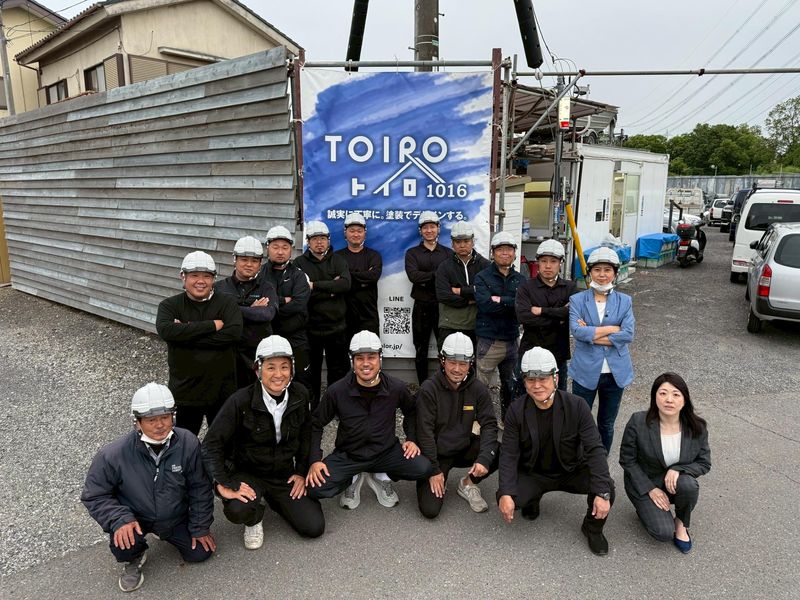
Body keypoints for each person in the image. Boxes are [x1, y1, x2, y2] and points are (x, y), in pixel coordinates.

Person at [82, 383, 215, 593]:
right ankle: (135, 556)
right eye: (151, 420)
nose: (160, 425)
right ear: (137, 422)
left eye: (165, 417)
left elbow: (200, 488)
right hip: (135, 519)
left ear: (173, 416)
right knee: (124, 543)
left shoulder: (188, 442)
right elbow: (95, 495)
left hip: (175, 517)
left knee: (200, 553)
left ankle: (167, 532)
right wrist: (119, 519)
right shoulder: (112, 455)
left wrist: (200, 527)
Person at [202, 336, 324, 550]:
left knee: (313, 527)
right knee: (238, 509)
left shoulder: (301, 395)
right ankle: (254, 518)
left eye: (284, 367)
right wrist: (222, 483)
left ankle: (276, 500)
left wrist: (301, 471)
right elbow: (212, 444)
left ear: (292, 369)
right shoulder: (239, 401)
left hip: (283, 473)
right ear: (258, 370)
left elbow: (307, 433)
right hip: (249, 473)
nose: (278, 374)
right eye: (271, 367)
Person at [497, 347, 615, 556]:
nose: (537, 385)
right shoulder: (516, 410)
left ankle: (592, 528)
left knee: (606, 489)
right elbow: (508, 454)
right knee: (511, 498)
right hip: (534, 473)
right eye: (531, 380)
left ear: (556, 377)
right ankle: (532, 499)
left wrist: (602, 493)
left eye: (543, 378)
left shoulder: (577, 406)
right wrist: (506, 492)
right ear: (524, 381)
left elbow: (595, 449)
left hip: (571, 470)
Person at [306, 331, 432, 509]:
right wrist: (314, 460)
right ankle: (352, 478)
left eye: (371, 357)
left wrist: (411, 439)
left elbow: (411, 411)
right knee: (314, 487)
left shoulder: (396, 387)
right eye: (359, 358)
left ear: (380, 358)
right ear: (352, 361)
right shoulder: (337, 391)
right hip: (350, 455)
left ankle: (381, 477)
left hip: (386, 452)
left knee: (423, 468)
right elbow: (316, 423)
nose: (366, 363)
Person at [619, 372, 711, 554]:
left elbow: (704, 463)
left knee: (688, 484)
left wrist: (678, 469)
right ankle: (645, 509)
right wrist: (650, 489)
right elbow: (627, 460)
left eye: (676, 394)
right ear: (654, 397)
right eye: (663, 393)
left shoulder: (697, 427)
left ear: (684, 400)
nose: (669, 399)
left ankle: (681, 522)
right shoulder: (638, 422)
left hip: (675, 484)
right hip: (645, 484)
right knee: (663, 532)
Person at [156, 251, 243, 435]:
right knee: (183, 445)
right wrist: (212, 325)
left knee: (224, 444)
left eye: (206, 276)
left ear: (214, 279)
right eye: (194, 275)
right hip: (185, 393)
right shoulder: (169, 306)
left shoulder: (227, 303)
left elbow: (234, 333)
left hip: (222, 392)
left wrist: (185, 334)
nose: (200, 281)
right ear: (183, 277)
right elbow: (166, 330)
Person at [415, 333, 499, 518]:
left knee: (497, 451)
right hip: (436, 455)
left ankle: (467, 483)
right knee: (430, 510)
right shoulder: (429, 389)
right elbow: (424, 432)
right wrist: (434, 471)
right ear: (442, 360)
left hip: (463, 446)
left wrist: (484, 458)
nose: (457, 369)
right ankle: (440, 476)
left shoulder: (477, 388)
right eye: (452, 362)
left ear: (470, 363)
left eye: (463, 363)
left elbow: (489, 425)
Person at [569, 246, 635, 453]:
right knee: (580, 421)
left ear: (615, 273)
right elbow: (576, 332)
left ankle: (600, 465)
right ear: (590, 273)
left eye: (607, 270)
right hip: (585, 371)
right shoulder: (577, 299)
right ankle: (578, 462)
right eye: (597, 270)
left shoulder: (625, 301)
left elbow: (628, 334)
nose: (602, 274)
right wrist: (610, 329)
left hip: (615, 374)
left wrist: (592, 333)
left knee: (606, 424)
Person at [294, 220, 352, 409]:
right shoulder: (299, 264)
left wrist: (315, 286)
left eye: (323, 239)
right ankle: (313, 407)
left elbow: (345, 285)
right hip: (310, 327)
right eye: (315, 239)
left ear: (328, 241)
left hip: (337, 326)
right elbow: (302, 292)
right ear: (308, 242)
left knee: (339, 370)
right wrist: (330, 287)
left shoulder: (338, 260)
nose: (319, 243)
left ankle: (336, 406)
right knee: (312, 372)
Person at [474, 231, 526, 418]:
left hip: (512, 339)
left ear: (514, 253)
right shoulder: (482, 277)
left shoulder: (521, 279)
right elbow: (485, 305)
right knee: (480, 385)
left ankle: (507, 420)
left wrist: (500, 299)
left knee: (511, 384)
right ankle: (479, 422)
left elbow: (522, 306)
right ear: (493, 252)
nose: (505, 253)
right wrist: (510, 302)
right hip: (488, 339)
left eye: (509, 249)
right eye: (500, 249)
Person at [216, 236, 278, 389]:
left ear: (260, 264)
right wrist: (251, 310)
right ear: (234, 259)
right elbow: (212, 314)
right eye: (244, 259)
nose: (249, 264)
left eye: (255, 261)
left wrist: (230, 310)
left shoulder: (267, 288)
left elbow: (266, 314)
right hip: (227, 354)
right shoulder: (219, 288)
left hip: (256, 354)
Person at [515, 238, 577, 392]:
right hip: (529, 353)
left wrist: (542, 311)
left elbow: (574, 314)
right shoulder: (526, 288)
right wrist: (559, 318)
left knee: (558, 398)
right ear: (538, 262)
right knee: (525, 397)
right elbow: (524, 317)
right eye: (543, 261)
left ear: (560, 263)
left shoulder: (570, 288)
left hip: (558, 354)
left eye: (553, 261)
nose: (548, 266)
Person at [260, 225, 312, 392]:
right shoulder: (259, 274)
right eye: (275, 247)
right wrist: (284, 300)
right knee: (269, 380)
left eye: (285, 247)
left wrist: (271, 305)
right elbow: (251, 303)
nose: (280, 252)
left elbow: (299, 304)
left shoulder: (299, 275)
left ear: (291, 250)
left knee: (301, 380)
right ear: (268, 248)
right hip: (266, 334)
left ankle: (303, 415)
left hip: (296, 336)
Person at [405, 211, 454, 384]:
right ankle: (423, 387)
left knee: (446, 348)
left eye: (432, 226)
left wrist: (426, 277)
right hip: (421, 305)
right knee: (421, 349)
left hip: (443, 306)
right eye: (425, 227)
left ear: (438, 229)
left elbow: (451, 277)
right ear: (420, 231)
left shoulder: (448, 253)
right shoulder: (412, 253)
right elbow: (413, 276)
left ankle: (445, 385)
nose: (429, 230)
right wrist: (438, 275)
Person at [435, 221, 490, 348]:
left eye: (466, 241)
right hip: (449, 324)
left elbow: (488, 293)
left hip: (478, 325)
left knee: (474, 365)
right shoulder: (444, 266)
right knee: (447, 364)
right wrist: (471, 300)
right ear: (452, 244)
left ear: (473, 242)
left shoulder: (485, 265)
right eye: (458, 242)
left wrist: (460, 291)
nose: (462, 245)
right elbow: (443, 295)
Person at [336, 213, 383, 340]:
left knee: (370, 351)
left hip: (368, 314)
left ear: (365, 233)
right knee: (343, 355)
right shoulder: (337, 257)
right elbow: (336, 284)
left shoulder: (374, 255)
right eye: (352, 231)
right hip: (343, 315)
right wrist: (363, 277)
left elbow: (373, 276)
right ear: (345, 233)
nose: (356, 234)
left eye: (359, 231)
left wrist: (347, 276)